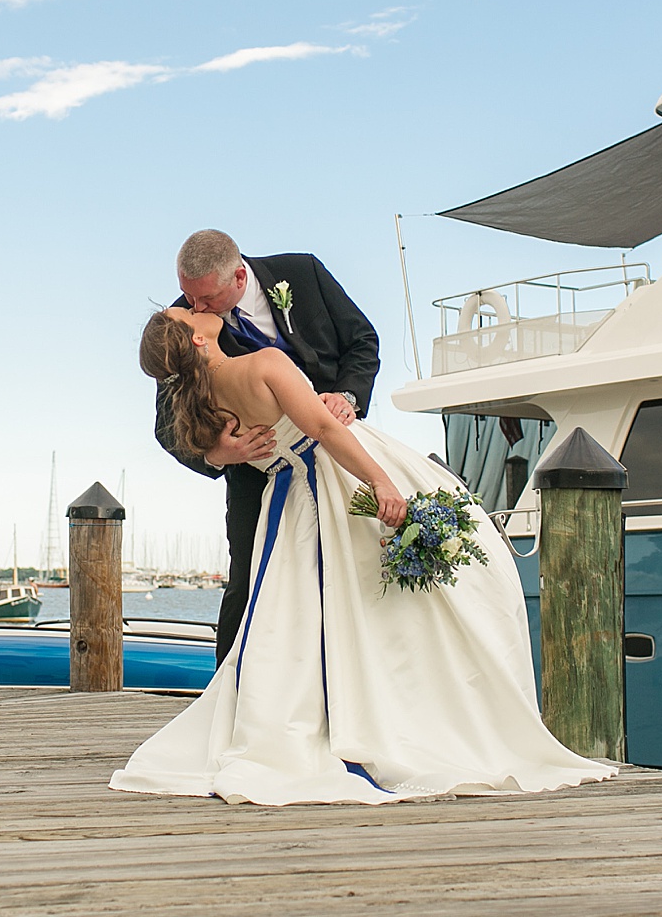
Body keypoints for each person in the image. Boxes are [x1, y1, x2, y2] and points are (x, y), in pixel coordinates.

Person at [113, 307, 616, 805]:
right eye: (188, 313)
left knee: (306, 619)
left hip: (286, 500)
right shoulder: (264, 363)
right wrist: (380, 481)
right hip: (334, 481)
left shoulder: (204, 399)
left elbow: (217, 453)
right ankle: (416, 716)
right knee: (418, 594)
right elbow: (327, 432)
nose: (198, 310)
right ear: (197, 340)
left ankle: (343, 716)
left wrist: (224, 454)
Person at [156, 230, 379, 665]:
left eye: (205, 298)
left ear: (240, 276)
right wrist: (217, 454)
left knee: (345, 572)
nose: (194, 308)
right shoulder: (183, 323)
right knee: (247, 580)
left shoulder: (303, 272)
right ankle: (230, 695)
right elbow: (166, 425)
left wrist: (347, 397)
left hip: (335, 451)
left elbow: (362, 341)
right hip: (254, 468)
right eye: (188, 296)